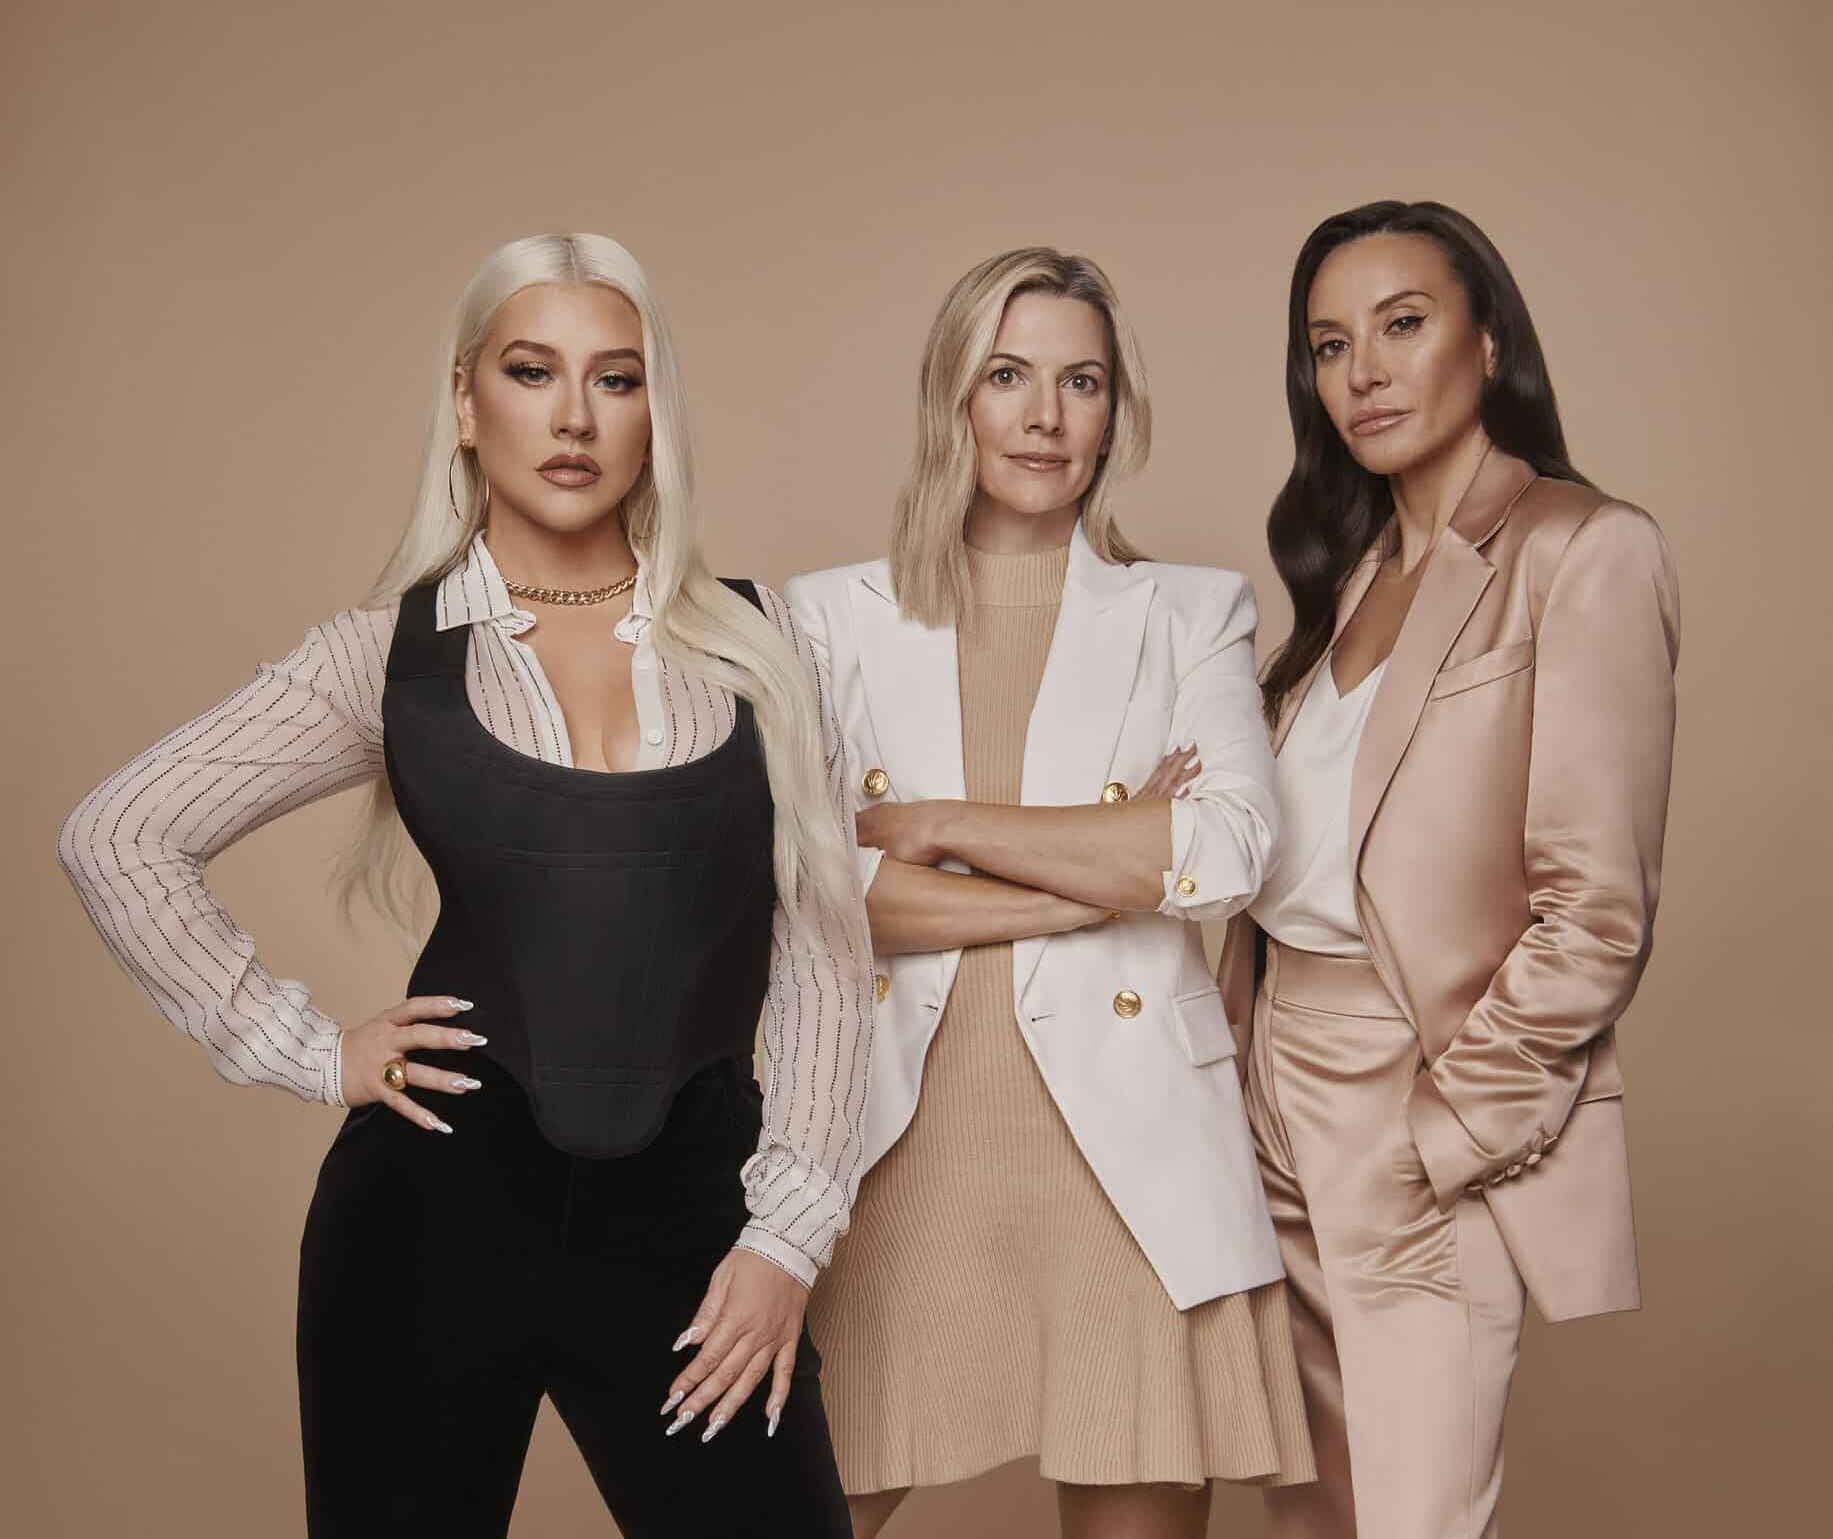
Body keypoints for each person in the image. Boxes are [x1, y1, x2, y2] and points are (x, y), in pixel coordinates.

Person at [57, 233, 871, 1538]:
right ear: (465, 401)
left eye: (615, 378)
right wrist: (305, 1049)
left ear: (654, 410)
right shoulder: (384, 656)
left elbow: (825, 960)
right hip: (429, 1216)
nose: (572, 417)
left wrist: (785, 1241)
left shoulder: (769, 645)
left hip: (696, 1225)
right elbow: (119, 834)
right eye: (531, 372)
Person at [788, 247, 1315, 1539]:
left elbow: (1226, 852)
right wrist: (1102, 873)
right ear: (951, 398)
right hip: (888, 1147)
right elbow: (812, 891)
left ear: (1115, 412)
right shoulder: (823, 620)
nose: (1043, 416)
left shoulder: (1191, 611)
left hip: (1132, 1162)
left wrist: (935, 829)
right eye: (1006, 376)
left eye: (1080, 382)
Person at [1219, 200, 1681, 1539]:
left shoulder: (1580, 549)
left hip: (1417, 1089)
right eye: (1328, 345)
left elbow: (1596, 912)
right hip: (1268, 1094)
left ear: (1487, 344)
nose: (1362, 372)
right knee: (1314, 1513)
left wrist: (1452, 1129)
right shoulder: (1348, 568)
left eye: (1402, 325)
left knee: (1413, 1516)